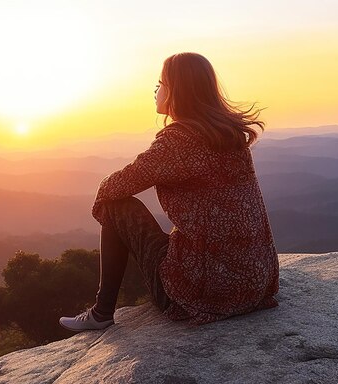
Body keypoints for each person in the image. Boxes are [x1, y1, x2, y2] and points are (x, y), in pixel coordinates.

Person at [59, 52, 279, 332]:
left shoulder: (179, 141)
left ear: (177, 91)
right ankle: (102, 311)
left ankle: (102, 312)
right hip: (255, 283)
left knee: (115, 205)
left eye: (160, 83)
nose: (155, 90)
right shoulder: (228, 134)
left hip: (207, 292)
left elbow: (113, 187)